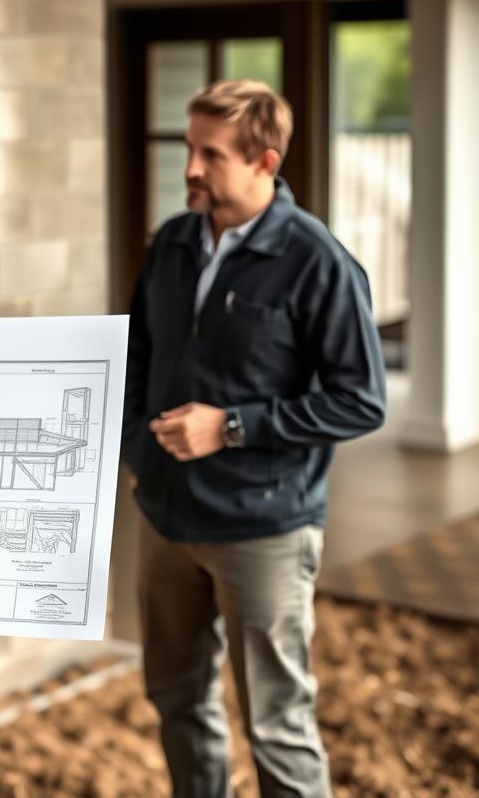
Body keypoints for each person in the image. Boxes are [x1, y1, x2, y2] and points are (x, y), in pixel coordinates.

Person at [121, 79, 385, 798]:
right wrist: (136, 457)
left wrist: (231, 427)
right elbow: (139, 354)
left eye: (211, 155)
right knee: (176, 699)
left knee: (276, 723)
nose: (191, 169)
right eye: (189, 148)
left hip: (262, 529)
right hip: (164, 519)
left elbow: (360, 401)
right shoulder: (175, 241)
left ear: (265, 161)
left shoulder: (318, 261)